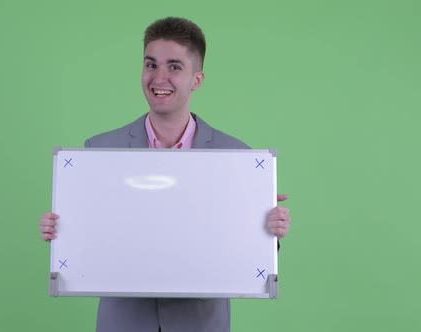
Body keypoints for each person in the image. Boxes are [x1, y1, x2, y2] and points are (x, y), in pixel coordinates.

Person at [39, 16, 292, 332]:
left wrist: (268, 230)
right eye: (150, 64)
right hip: (125, 321)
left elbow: (244, 253)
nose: (159, 77)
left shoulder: (239, 158)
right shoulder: (100, 150)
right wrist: (61, 230)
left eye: (174, 66)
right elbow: (91, 236)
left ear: (196, 80)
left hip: (200, 323)